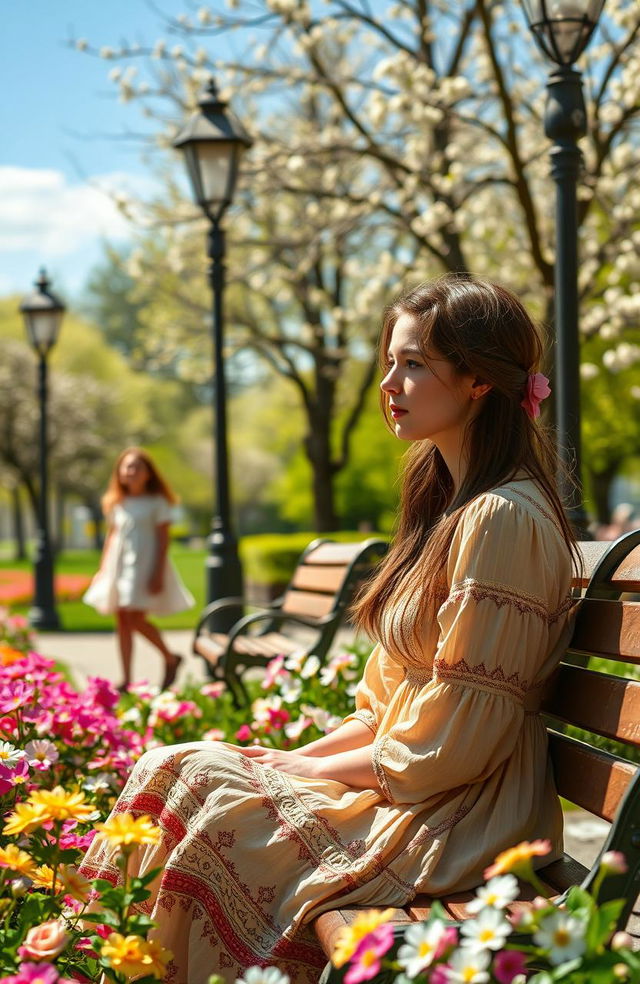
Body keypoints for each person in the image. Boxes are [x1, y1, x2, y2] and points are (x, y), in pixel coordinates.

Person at [80, 277, 578, 984]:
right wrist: (284, 760)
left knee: (216, 811)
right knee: (178, 765)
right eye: (390, 360)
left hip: (462, 816)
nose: (389, 382)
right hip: (420, 781)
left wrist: (308, 771)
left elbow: (454, 742)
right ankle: (86, 964)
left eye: (413, 364)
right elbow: (384, 708)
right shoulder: (448, 505)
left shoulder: (502, 519)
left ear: (477, 382)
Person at [83, 447, 194, 692]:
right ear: (120, 473)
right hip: (119, 565)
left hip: (144, 564)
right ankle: (126, 678)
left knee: (135, 618)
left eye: (137, 467)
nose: (131, 471)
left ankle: (170, 657)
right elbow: (112, 538)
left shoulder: (158, 503)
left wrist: (157, 572)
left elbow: (163, 539)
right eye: (127, 467)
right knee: (122, 620)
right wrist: (103, 571)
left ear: (148, 473)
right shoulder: (117, 503)